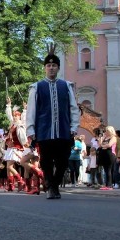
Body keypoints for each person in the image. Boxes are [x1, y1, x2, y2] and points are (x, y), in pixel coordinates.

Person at [26, 47, 80, 199]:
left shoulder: (66, 86)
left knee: (63, 161)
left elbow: (73, 107)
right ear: (45, 68)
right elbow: (31, 110)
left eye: (54, 65)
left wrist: (74, 126)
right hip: (44, 131)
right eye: (48, 66)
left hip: (63, 130)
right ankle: (52, 187)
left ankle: (53, 184)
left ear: (58, 68)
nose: (51, 68)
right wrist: (31, 130)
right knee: (46, 161)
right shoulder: (37, 87)